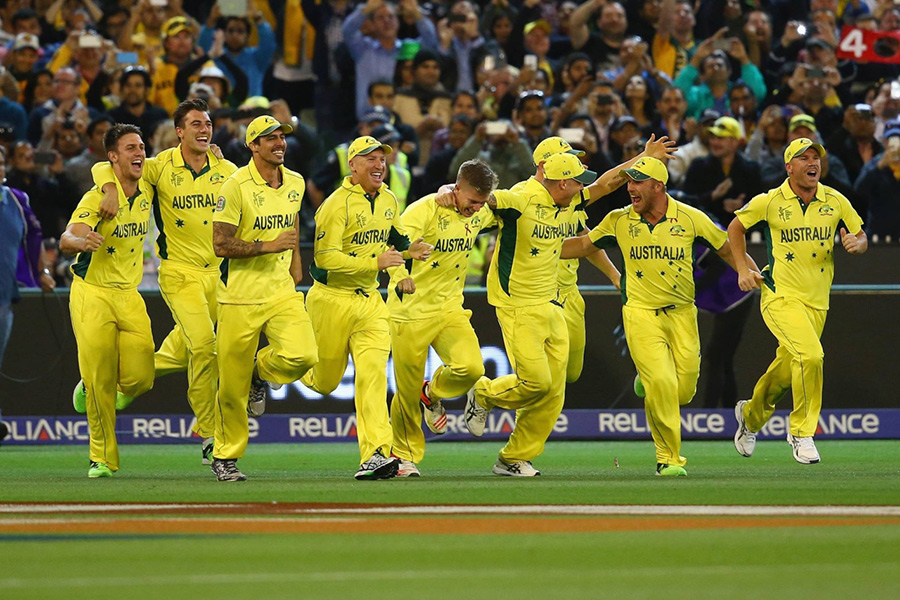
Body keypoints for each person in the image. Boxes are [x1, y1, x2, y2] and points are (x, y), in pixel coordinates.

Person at [561, 157, 755, 476]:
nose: (631, 188)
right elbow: (583, 244)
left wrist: (747, 271)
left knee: (684, 389)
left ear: (658, 186)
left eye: (637, 182)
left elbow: (724, 247)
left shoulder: (691, 218)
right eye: (629, 182)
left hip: (681, 313)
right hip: (640, 313)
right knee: (662, 383)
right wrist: (539, 245)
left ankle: (646, 383)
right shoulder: (618, 220)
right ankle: (668, 458)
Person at [91, 98, 238, 466]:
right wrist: (109, 188)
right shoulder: (158, 168)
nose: (204, 130)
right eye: (195, 124)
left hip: (219, 276)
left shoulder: (227, 169)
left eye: (207, 124)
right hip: (180, 274)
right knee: (205, 347)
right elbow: (106, 166)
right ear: (179, 132)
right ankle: (209, 435)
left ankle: (118, 383)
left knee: (185, 349)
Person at [729, 137, 867, 465]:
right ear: (789, 167)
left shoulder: (835, 200)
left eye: (815, 157)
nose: (812, 163)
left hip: (818, 301)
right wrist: (741, 270)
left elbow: (859, 234)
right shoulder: (770, 200)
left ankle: (749, 416)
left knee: (787, 372)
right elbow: (735, 228)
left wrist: (857, 244)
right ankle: (802, 432)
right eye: (803, 158)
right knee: (812, 356)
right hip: (780, 296)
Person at [302, 135, 432, 480]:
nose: (379, 165)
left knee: (373, 376)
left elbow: (398, 240)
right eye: (370, 159)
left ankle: (375, 454)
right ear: (352, 165)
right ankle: (265, 366)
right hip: (331, 299)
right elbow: (323, 261)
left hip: (370, 301)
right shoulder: (335, 204)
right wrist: (374, 263)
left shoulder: (388, 198)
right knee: (323, 382)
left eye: (382, 159)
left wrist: (407, 260)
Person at [210, 115, 319, 482]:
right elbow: (220, 243)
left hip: (280, 292)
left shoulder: (296, 182)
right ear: (252, 146)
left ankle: (261, 372)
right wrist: (266, 247)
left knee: (304, 355)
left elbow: (291, 224)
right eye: (268, 138)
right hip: (238, 298)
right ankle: (226, 457)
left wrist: (295, 261)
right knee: (230, 388)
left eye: (281, 137)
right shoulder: (235, 186)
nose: (278, 143)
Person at [388, 159, 497, 477]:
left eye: (481, 202)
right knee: (405, 393)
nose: (476, 209)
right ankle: (404, 457)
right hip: (410, 311)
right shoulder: (424, 209)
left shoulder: (480, 210)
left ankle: (432, 392)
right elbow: (393, 241)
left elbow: (502, 204)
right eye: (472, 201)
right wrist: (399, 275)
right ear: (457, 188)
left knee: (472, 367)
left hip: (450, 308)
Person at [59, 124, 156, 478]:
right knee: (101, 379)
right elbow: (69, 235)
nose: (139, 153)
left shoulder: (146, 184)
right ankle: (101, 459)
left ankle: (90, 386)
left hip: (128, 294)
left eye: (141, 147)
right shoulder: (96, 199)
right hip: (92, 293)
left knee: (142, 376)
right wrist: (79, 242)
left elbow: (180, 163)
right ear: (113, 156)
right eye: (130, 148)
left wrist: (215, 155)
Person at [0, 145, 55, 445]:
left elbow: (34, 236)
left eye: (0, 163)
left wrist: (41, 273)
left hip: (3, 294)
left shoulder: (16, 200)